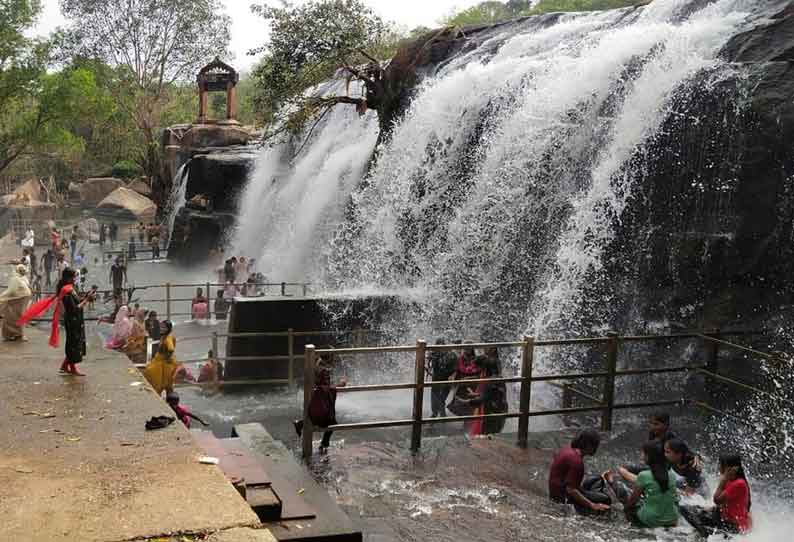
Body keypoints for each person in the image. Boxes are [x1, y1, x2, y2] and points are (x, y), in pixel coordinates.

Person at [19, 267, 91, 376]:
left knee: (75, 343)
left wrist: (86, 297)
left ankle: (65, 366)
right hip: (72, 320)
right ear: (68, 278)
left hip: (76, 320)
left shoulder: (70, 288)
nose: (75, 279)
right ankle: (70, 367)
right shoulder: (66, 291)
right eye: (74, 277)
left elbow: (77, 301)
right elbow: (74, 308)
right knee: (73, 344)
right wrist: (86, 300)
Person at [680, 454, 752, 538]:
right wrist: (712, 509)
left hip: (732, 525)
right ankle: (707, 532)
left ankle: (706, 535)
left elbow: (717, 499)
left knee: (688, 511)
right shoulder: (731, 480)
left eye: (721, 465)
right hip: (723, 517)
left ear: (730, 468)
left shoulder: (738, 483)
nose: (719, 467)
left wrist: (723, 480)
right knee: (686, 509)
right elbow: (722, 502)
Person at [615, 442, 679, 528]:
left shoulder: (644, 475)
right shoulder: (672, 474)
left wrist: (625, 508)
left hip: (650, 520)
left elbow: (632, 501)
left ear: (649, 456)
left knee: (625, 499)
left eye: (643, 453)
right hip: (672, 519)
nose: (641, 456)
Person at [293, 352, 346, 455]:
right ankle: (324, 444)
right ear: (329, 357)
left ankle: (300, 424)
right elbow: (326, 387)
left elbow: (322, 385)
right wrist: (340, 384)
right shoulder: (324, 370)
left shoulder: (317, 366)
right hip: (320, 401)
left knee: (318, 420)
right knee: (331, 423)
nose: (334, 360)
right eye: (333, 357)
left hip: (316, 400)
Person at [548, 430, 611, 514]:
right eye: (595, 445)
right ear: (588, 445)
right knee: (606, 499)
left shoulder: (567, 449)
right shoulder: (577, 462)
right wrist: (592, 505)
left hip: (556, 491)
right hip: (563, 498)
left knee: (597, 479)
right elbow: (571, 490)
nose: (596, 448)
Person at [467, 350, 508, 435]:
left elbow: (481, 400)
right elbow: (491, 395)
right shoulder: (500, 379)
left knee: (487, 434)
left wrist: (467, 401)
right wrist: (476, 395)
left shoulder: (490, 382)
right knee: (495, 433)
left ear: (485, 369)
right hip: (502, 410)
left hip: (492, 414)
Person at [143, 320, 177, 396]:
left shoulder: (168, 338)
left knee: (164, 383)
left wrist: (166, 358)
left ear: (168, 329)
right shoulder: (164, 336)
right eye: (161, 327)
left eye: (164, 327)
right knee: (165, 384)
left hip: (164, 364)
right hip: (160, 362)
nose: (161, 328)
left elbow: (171, 349)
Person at [0, 265, 32, 341]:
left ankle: (17, 334)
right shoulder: (16, 278)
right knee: (14, 318)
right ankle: (13, 335)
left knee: (15, 318)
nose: (23, 272)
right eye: (22, 270)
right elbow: (12, 291)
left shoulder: (19, 278)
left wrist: (2, 297)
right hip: (17, 301)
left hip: (19, 301)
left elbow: (12, 291)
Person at [427, 338, 457, 418]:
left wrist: (453, 376)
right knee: (434, 398)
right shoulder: (433, 354)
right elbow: (429, 366)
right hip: (436, 378)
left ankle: (442, 415)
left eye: (441, 345)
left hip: (447, 379)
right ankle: (435, 413)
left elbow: (456, 368)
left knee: (441, 399)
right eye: (438, 345)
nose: (440, 348)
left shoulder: (451, 355)